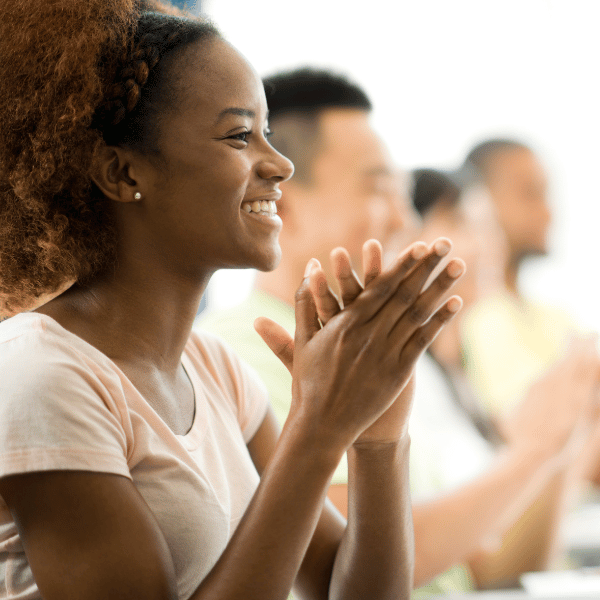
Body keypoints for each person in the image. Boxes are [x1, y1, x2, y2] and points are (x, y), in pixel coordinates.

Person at [0, 2, 465, 599]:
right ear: (120, 171)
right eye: (239, 135)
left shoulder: (217, 371)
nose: (279, 164)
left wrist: (377, 434)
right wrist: (319, 427)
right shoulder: (44, 377)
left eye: (268, 134)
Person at [199, 70, 600, 595]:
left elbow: (479, 569)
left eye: (406, 195)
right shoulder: (236, 354)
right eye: (380, 190)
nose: (403, 219)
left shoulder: (389, 362)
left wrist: (558, 440)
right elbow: (347, 571)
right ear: (283, 204)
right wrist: (531, 451)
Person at [412, 168, 600, 590]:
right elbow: (486, 560)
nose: (485, 244)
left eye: (489, 227)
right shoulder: (409, 383)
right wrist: (545, 444)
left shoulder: (463, 369)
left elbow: (518, 542)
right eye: (462, 223)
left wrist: (569, 432)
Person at [460, 139, 579, 419]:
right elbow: (535, 427)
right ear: (480, 202)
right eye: (530, 194)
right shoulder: (476, 316)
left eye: (546, 194)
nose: (548, 212)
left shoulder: (554, 316)